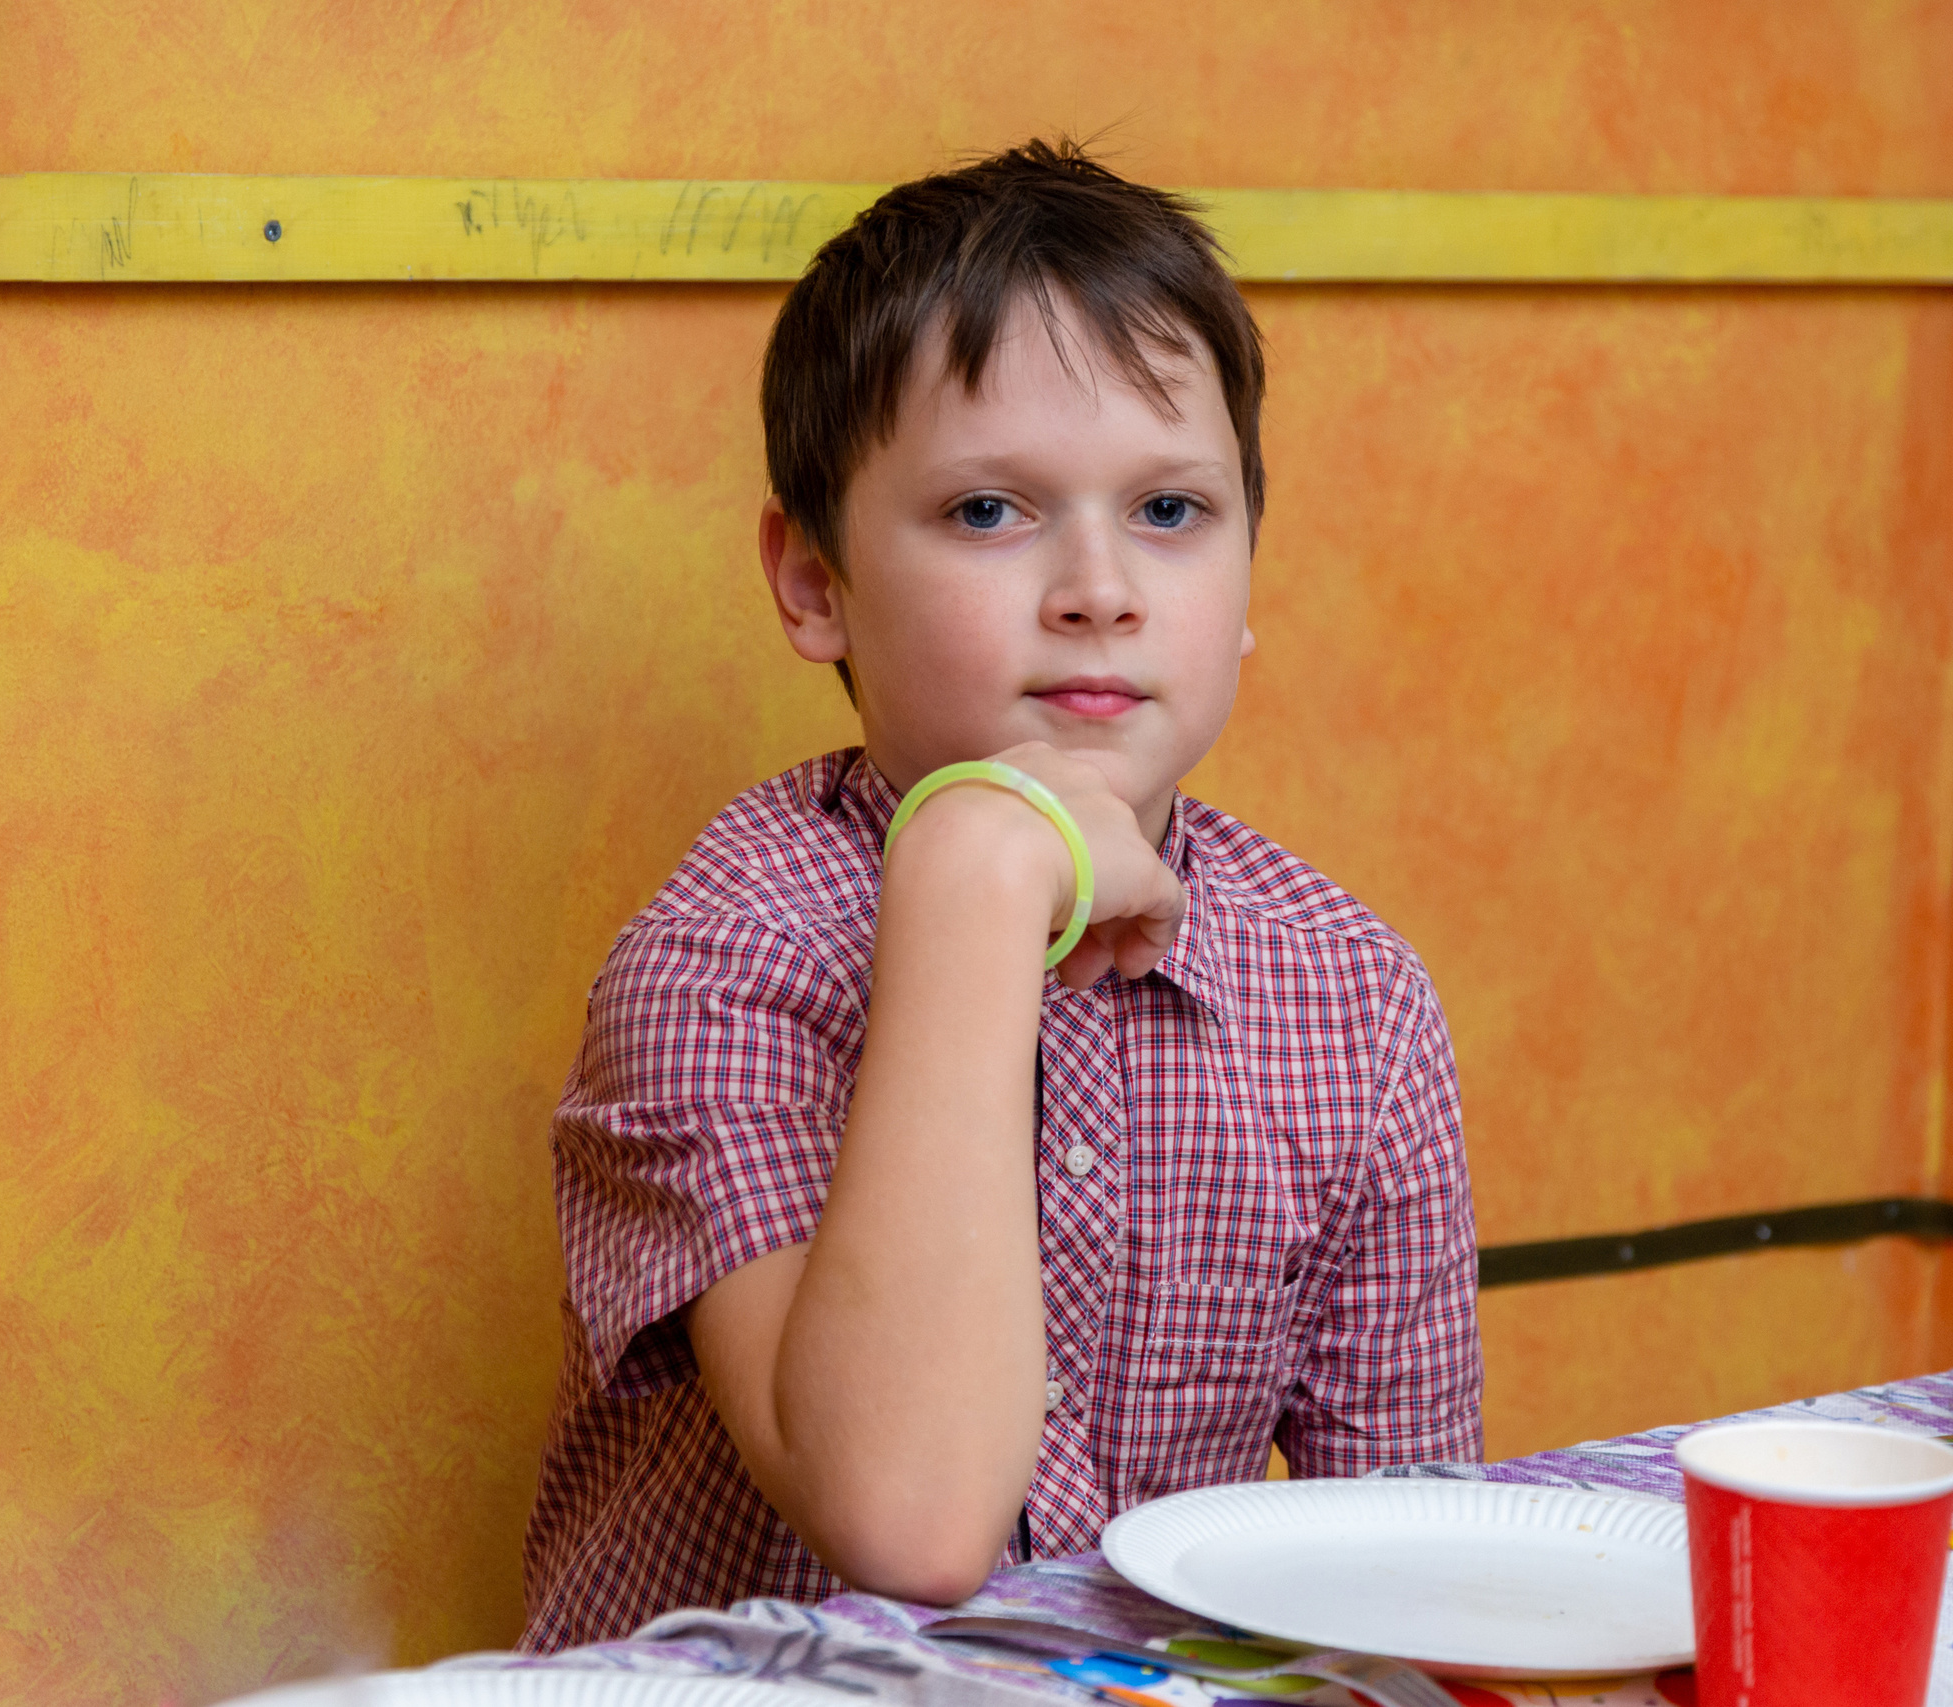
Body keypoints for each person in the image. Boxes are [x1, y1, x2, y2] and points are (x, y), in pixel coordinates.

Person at [519, 139, 1480, 1648]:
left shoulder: (1354, 998)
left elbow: (1408, 1569)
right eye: (989, 513)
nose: (1099, 587)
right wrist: (975, 868)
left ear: (1247, 581)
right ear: (814, 581)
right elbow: (906, 1519)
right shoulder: (724, 962)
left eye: (1171, 514)